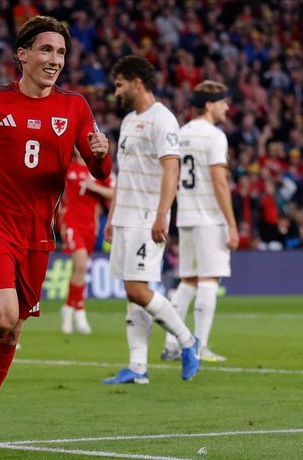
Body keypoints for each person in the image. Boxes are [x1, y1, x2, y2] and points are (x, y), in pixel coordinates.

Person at [0, 16, 112, 457]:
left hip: (38, 232)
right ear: (22, 54)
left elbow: (98, 170)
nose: (54, 60)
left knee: (12, 334)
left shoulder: (75, 107)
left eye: (61, 52)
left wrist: (101, 155)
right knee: (0, 318)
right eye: (45, 50)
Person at [102, 55, 200, 385]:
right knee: (131, 292)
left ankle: (187, 340)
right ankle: (138, 367)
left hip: (147, 217)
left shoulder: (163, 119)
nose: (116, 92)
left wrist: (162, 215)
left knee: (137, 288)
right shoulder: (129, 121)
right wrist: (112, 215)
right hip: (125, 215)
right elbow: (123, 173)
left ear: (137, 83)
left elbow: (171, 169)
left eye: (120, 85)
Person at [162, 80, 239, 363]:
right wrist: (232, 224)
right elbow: (219, 182)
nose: (227, 107)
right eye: (222, 102)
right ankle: (200, 345)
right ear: (209, 104)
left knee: (188, 281)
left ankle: (172, 344)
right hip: (209, 217)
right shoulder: (215, 136)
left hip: (186, 215)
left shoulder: (180, 134)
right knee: (209, 279)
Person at [59, 152, 113, 335]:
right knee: (81, 263)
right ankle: (77, 311)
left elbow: (113, 193)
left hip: (90, 226)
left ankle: (70, 307)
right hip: (71, 222)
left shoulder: (97, 169)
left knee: (79, 269)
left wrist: (94, 187)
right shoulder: (67, 167)